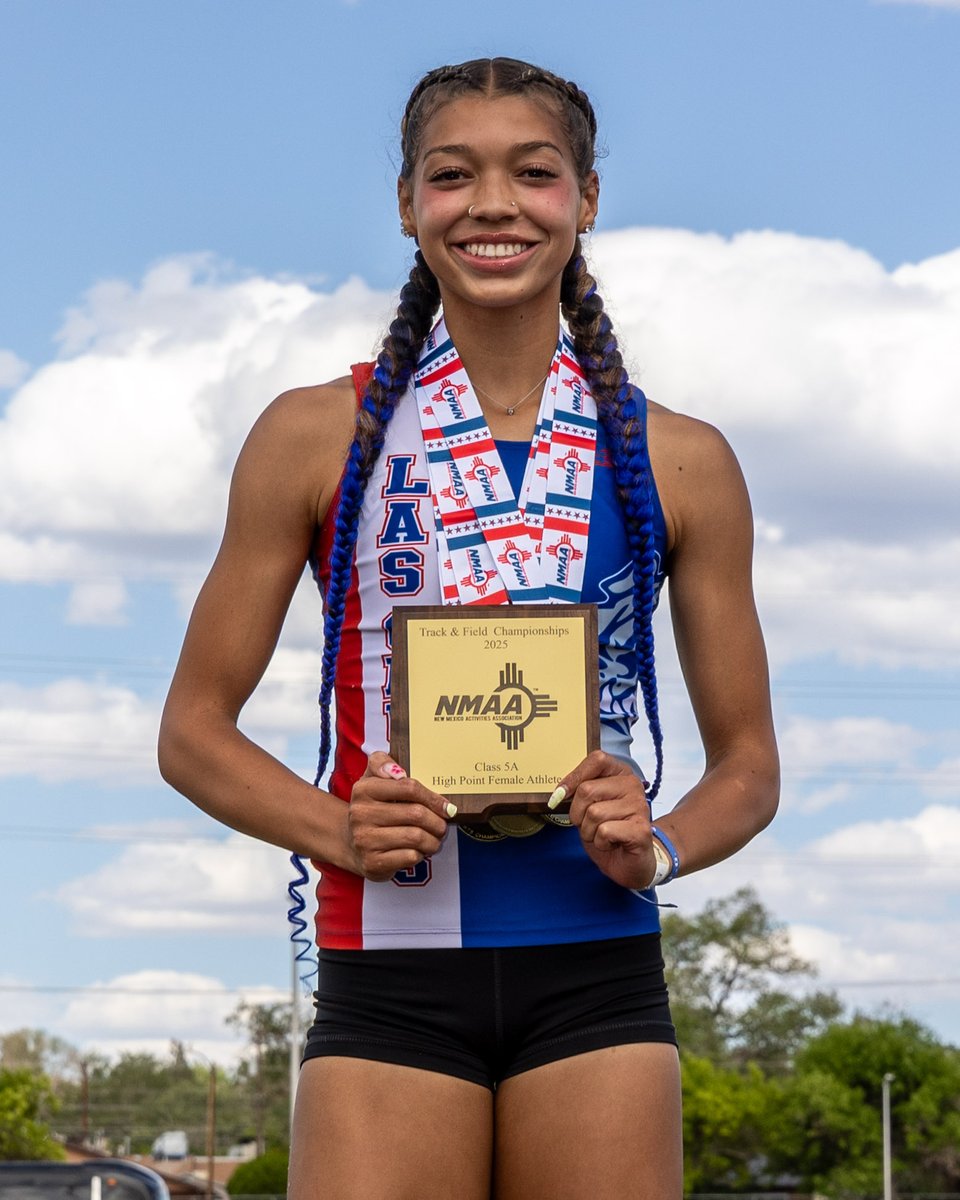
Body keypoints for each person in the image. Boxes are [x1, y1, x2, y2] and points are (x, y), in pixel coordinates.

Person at [159, 57, 779, 1200]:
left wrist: (661, 845)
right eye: (454, 174)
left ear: (586, 198)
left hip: (596, 969)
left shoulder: (682, 457)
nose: (493, 203)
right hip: (386, 971)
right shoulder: (313, 435)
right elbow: (192, 732)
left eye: (534, 173)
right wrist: (336, 828)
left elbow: (749, 768)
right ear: (408, 202)